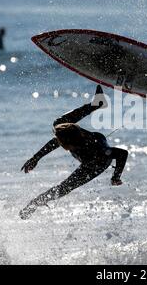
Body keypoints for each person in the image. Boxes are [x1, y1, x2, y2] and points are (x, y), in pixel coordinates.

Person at [19, 85, 128, 220]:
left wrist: (115, 177)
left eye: (59, 141)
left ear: (68, 144)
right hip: (86, 141)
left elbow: (122, 153)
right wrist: (36, 158)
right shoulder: (74, 135)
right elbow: (56, 141)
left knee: (65, 187)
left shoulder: (97, 152)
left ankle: (34, 204)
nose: (56, 141)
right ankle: (96, 104)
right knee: (58, 124)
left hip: (97, 163)